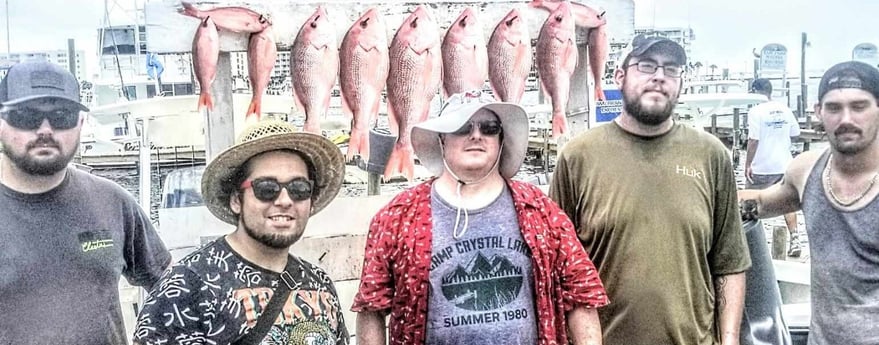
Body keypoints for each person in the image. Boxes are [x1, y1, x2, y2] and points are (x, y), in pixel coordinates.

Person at [353, 90, 609, 345]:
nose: (476, 135)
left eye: (489, 127)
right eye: (462, 127)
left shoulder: (542, 210)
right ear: (442, 139)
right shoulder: (396, 217)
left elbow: (581, 295)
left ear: (500, 139)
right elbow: (371, 307)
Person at [549, 36, 751, 345]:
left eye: (671, 69)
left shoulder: (711, 155)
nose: (659, 76)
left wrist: (730, 339)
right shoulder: (577, 156)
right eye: (646, 66)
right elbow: (556, 267)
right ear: (620, 75)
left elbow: (729, 262)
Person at [133, 120, 350, 344]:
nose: (284, 200)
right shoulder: (186, 286)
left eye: (299, 189)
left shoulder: (319, 281)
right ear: (237, 200)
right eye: (267, 188)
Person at [0, 60, 171, 343]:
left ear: (80, 123)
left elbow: (171, 287)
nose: (45, 130)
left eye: (61, 116)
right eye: (26, 116)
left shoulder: (114, 202)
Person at [738, 61, 879, 345]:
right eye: (834, 108)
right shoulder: (806, 171)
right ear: (818, 112)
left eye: (859, 106)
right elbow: (762, 202)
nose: (846, 118)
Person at [745, 78, 803, 257]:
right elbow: (796, 133)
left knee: (749, 204)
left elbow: (753, 140)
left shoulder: (755, 111)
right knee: (787, 204)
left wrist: (748, 164)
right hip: (784, 164)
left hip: (761, 166)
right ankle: (795, 239)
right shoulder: (784, 109)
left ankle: (749, 245)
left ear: (755, 91)